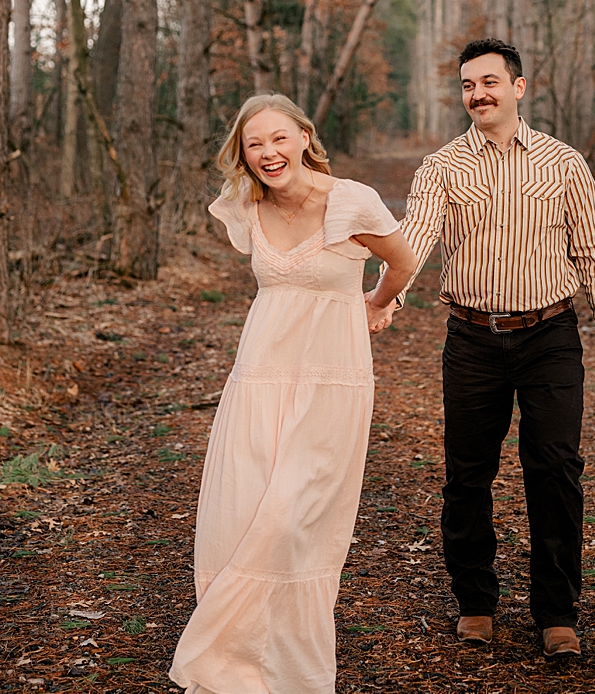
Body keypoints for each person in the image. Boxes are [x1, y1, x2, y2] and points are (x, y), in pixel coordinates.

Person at [170, 95, 417, 694]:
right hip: (258, 378)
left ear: (303, 137)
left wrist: (377, 304)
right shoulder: (243, 206)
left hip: (331, 380)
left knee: (289, 519)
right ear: (244, 155)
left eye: (278, 138)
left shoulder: (348, 200)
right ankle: (237, 665)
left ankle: (286, 667)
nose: (269, 153)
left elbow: (403, 261)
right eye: (255, 144)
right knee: (243, 514)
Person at [390, 38, 595, 658]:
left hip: (550, 336)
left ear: (518, 88)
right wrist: (385, 295)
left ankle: (557, 614)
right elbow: (413, 241)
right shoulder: (441, 167)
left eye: (490, 82)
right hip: (471, 339)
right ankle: (475, 603)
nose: (479, 94)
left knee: (555, 471)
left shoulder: (564, 163)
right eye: (469, 85)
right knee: (468, 474)